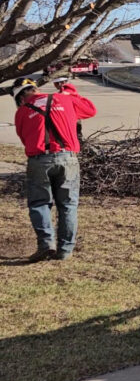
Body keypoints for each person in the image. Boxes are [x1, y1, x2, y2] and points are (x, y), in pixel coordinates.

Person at [11, 77, 96, 262]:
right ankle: (65, 250)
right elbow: (90, 110)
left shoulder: (22, 112)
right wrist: (70, 90)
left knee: (40, 204)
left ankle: (46, 245)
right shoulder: (65, 98)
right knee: (68, 205)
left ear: (20, 97)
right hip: (68, 158)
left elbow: (25, 138)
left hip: (39, 160)